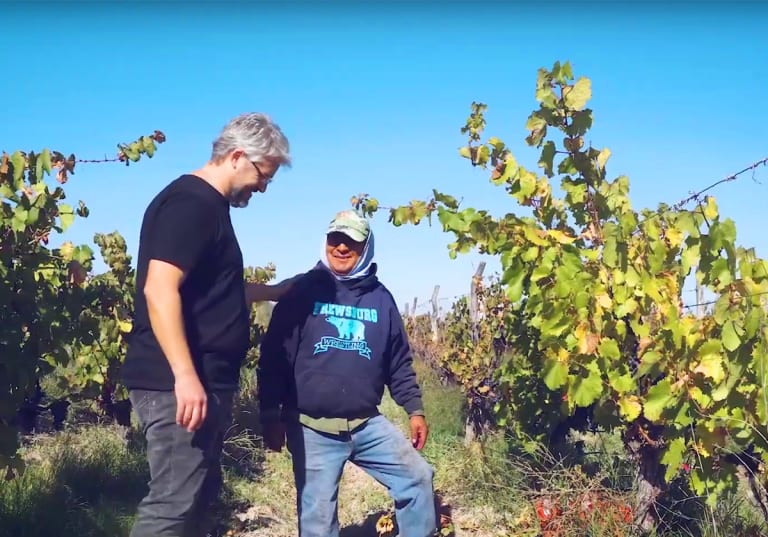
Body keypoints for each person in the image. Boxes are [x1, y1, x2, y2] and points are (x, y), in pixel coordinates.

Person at [121, 112, 291, 537]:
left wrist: (274, 291)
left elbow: (217, 290)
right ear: (238, 156)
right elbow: (159, 290)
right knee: (172, 508)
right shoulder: (191, 204)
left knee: (195, 503)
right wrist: (185, 375)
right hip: (176, 386)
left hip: (199, 383)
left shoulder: (207, 207)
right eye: (262, 175)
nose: (263, 187)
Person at [257, 210, 437, 537]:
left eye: (350, 241)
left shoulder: (381, 299)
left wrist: (414, 409)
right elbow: (274, 358)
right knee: (317, 525)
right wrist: (271, 413)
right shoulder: (303, 291)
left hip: (367, 425)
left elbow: (397, 360)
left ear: (365, 247)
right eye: (334, 239)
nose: (341, 248)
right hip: (312, 429)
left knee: (418, 477)